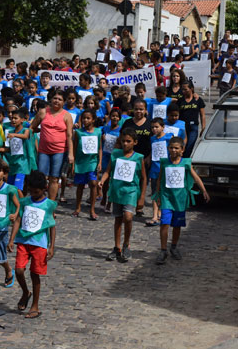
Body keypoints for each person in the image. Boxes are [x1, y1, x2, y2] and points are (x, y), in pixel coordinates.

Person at [7, 170, 56, 319]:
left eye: (36, 192)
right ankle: (25, 292)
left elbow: (52, 226)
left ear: (44, 189)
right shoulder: (25, 202)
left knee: (35, 274)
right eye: (31, 191)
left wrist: (51, 246)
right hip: (23, 241)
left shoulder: (48, 205)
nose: (33, 194)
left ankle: (35, 305)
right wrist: (11, 239)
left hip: (39, 244)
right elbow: (18, 220)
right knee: (19, 270)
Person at [154, 137, 210, 265]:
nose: (173, 150)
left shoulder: (186, 163)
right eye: (171, 148)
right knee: (164, 223)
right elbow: (160, 179)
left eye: (176, 148)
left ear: (182, 150)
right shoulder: (164, 162)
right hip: (166, 198)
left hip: (179, 199)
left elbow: (196, 178)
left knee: (177, 225)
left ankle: (173, 246)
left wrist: (204, 190)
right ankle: (163, 250)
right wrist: (157, 195)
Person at [98, 128, 147, 263]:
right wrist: (102, 181)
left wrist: (142, 196)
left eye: (128, 141)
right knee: (118, 219)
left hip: (131, 191)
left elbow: (143, 178)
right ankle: (117, 247)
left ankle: (126, 243)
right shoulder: (115, 154)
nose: (125, 144)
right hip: (117, 191)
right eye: (123, 141)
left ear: (134, 142)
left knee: (128, 217)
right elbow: (108, 171)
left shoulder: (139, 158)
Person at [31, 89, 74, 201]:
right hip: (44, 150)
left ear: (63, 102)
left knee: (54, 178)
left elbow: (69, 135)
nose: (56, 101)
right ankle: (40, 201)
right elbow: (32, 127)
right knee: (41, 177)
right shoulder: (43, 112)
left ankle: (51, 204)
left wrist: (71, 154)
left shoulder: (67, 116)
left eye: (60, 99)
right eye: (55, 98)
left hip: (59, 151)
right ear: (50, 99)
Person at [72, 109, 102, 220]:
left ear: (93, 120)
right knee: (80, 185)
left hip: (92, 162)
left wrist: (99, 162)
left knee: (93, 183)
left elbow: (99, 148)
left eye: (88, 118)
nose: (85, 120)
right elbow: (75, 148)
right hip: (81, 162)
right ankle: (78, 206)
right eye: (84, 118)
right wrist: (73, 163)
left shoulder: (98, 131)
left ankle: (92, 209)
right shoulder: (79, 132)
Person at [177, 81, 205, 158]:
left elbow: (202, 115)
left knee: (189, 147)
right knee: (182, 147)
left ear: (191, 89)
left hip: (193, 127)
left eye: (185, 89)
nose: (183, 91)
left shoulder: (198, 100)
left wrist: (203, 128)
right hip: (182, 128)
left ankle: (185, 163)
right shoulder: (180, 101)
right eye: (182, 89)